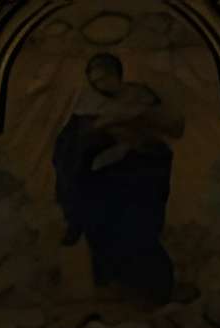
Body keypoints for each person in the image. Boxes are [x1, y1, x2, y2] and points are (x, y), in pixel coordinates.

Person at [52, 52, 183, 308]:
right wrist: (95, 137)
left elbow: (170, 129)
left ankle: (152, 290)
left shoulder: (140, 97)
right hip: (103, 180)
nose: (100, 85)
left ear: (117, 75)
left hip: (139, 177)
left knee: (138, 230)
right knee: (101, 229)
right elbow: (70, 147)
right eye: (94, 80)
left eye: (104, 78)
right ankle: (113, 288)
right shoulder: (85, 108)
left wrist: (129, 125)